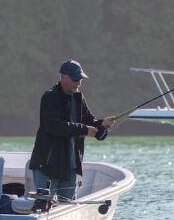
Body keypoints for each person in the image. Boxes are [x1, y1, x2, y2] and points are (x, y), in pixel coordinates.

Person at [29, 59, 116, 200]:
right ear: (63, 77)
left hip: (70, 168)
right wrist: (84, 129)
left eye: (80, 78)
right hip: (47, 166)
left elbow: (89, 121)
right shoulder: (50, 97)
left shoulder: (78, 97)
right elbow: (53, 126)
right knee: (43, 207)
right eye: (75, 79)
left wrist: (102, 125)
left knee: (67, 208)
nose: (79, 82)